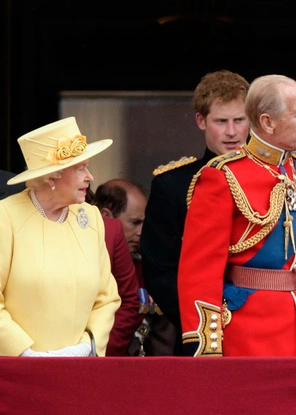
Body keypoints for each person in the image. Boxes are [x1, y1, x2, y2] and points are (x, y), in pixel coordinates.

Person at [178, 74, 296, 356]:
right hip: (248, 335)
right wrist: (208, 346)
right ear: (268, 122)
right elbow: (199, 272)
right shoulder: (222, 175)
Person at [140, 70, 250, 354]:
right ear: (201, 121)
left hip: (265, 326)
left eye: (239, 120)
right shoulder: (172, 184)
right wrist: (201, 326)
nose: (232, 131)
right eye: (221, 121)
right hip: (201, 333)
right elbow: (160, 270)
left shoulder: (275, 177)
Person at [0, 117, 120, 356]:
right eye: (80, 168)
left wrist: (86, 347)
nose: (90, 177)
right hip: (17, 371)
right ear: (52, 175)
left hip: (78, 368)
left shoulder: (92, 218)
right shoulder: (6, 216)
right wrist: (24, 352)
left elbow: (107, 298)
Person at [95, 178, 176, 356]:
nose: (141, 231)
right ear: (106, 216)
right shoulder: (87, 266)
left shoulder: (149, 269)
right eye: (135, 222)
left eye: (144, 223)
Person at [86, 187, 142, 356]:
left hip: (99, 353)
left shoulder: (111, 231)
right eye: (135, 222)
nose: (141, 232)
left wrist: (99, 351)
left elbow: (128, 302)